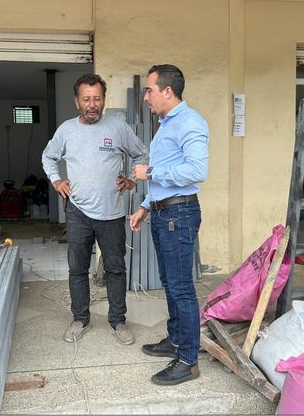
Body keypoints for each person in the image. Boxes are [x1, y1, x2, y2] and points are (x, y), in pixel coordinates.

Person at [42, 73, 148, 346]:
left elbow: (142, 154)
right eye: (86, 99)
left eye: (97, 99)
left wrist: (132, 181)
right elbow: (48, 156)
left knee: (115, 268)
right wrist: (56, 180)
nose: (92, 105)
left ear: (104, 100)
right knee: (77, 269)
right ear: (77, 101)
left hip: (112, 213)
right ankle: (80, 319)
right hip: (77, 212)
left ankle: (118, 321)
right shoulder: (66, 130)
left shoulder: (118, 127)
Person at [130, 64, 209, 386]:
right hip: (164, 213)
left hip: (179, 215)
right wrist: (145, 206)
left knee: (181, 288)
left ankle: (188, 360)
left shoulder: (189, 122)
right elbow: (167, 177)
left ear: (167, 91)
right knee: (170, 282)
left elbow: (197, 171)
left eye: (149, 90)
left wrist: (150, 173)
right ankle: (176, 340)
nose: (146, 97)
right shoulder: (166, 124)